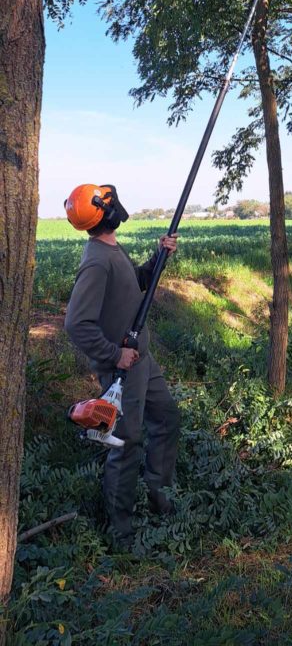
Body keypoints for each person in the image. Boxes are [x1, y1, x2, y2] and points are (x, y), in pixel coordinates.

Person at [64, 182, 180, 548]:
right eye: (109, 201)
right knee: (125, 443)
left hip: (143, 360)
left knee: (166, 418)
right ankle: (122, 534)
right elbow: (76, 324)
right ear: (105, 213)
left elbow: (137, 283)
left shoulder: (112, 248)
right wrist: (115, 355)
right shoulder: (96, 261)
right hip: (123, 369)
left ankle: (160, 499)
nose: (117, 204)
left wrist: (159, 256)